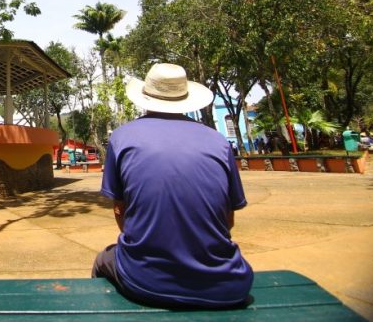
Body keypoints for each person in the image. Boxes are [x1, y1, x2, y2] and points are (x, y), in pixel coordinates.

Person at [92, 63, 253, 309]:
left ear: (145, 97)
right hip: (228, 285)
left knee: (102, 260)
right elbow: (228, 220)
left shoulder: (122, 137)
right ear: (185, 98)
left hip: (144, 281)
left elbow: (120, 213)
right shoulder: (219, 142)